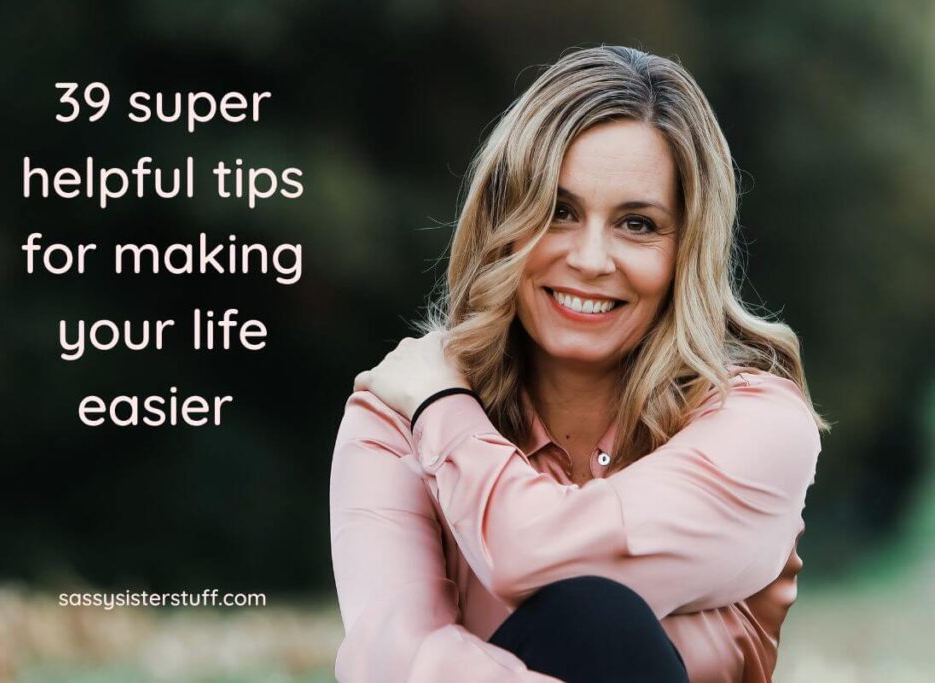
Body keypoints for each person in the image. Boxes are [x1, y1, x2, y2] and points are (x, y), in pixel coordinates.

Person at [330, 45, 828, 683]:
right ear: (503, 221)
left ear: (688, 252)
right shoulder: (393, 420)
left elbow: (530, 559)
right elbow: (390, 660)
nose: (591, 259)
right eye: (558, 212)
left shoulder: (759, 429)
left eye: (638, 224)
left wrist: (445, 415)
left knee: (598, 618)